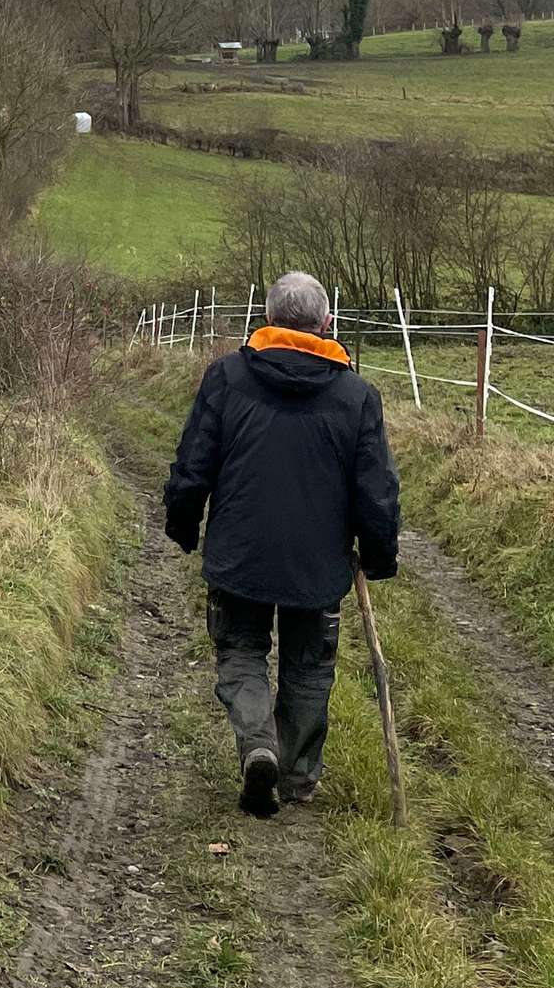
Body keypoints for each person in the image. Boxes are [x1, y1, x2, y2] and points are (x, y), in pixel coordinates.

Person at [163, 270, 400, 816]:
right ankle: (294, 777)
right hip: (318, 562)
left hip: (239, 551)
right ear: (327, 323)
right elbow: (376, 490)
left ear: (267, 318)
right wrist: (379, 553)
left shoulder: (226, 377)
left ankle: (258, 745)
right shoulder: (357, 396)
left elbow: (194, 461)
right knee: (310, 665)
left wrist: (183, 521)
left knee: (241, 649)